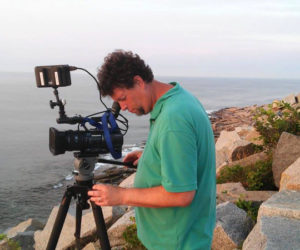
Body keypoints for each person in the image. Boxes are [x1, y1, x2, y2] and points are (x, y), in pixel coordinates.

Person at [88, 50, 216, 249]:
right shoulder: (178, 99)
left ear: (139, 81)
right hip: (180, 236)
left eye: (123, 98)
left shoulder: (174, 119)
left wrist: (119, 196)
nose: (121, 107)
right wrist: (150, 155)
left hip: (178, 243)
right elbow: (187, 150)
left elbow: (181, 195)